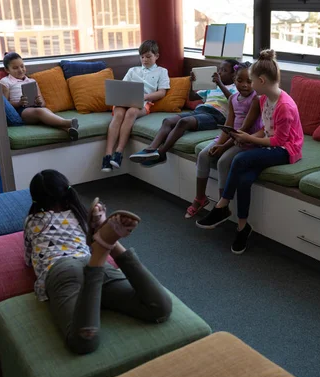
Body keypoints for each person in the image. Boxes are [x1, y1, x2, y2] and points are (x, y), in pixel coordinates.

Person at [23, 170, 172, 354]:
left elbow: (28, 259)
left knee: (83, 341)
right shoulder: (78, 215)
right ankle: (108, 242)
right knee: (160, 309)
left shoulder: (31, 220)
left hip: (61, 270)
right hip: (88, 261)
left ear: (35, 200)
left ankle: (102, 247)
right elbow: (84, 243)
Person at [196, 50, 304, 255]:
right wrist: (244, 135)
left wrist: (247, 138)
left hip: (286, 150)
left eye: (252, 81)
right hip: (268, 144)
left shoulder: (285, 107)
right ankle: (242, 227)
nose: (251, 86)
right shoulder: (264, 99)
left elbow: (279, 140)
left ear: (262, 80)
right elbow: (266, 128)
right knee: (244, 180)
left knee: (240, 158)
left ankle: (221, 206)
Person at [185, 61, 261, 219]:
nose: (244, 85)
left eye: (249, 81)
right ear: (234, 80)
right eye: (240, 81)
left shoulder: (256, 100)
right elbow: (229, 123)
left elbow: (244, 130)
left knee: (222, 161)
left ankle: (222, 206)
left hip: (247, 140)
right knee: (203, 155)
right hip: (231, 136)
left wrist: (223, 147)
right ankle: (200, 198)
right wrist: (219, 142)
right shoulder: (233, 98)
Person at [129, 59, 238, 167]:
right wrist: (192, 83)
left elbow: (233, 101)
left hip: (216, 116)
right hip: (200, 110)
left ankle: (161, 153)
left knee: (183, 122)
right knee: (168, 121)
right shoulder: (212, 87)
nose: (219, 73)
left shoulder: (235, 89)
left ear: (233, 75)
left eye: (224, 70)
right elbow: (192, 97)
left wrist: (220, 84)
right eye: (219, 69)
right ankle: (150, 149)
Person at [102, 40, 170, 172]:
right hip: (124, 100)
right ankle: (107, 155)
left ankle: (119, 153)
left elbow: (162, 92)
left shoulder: (162, 72)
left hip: (144, 103)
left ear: (157, 56)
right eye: (142, 57)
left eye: (148, 56)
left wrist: (144, 97)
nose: (144, 60)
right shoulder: (133, 70)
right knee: (119, 114)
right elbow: (122, 87)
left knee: (132, 112)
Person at [0, 52, 79, 141]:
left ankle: (69, 130)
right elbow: (4, 104)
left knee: (45, 111)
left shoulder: (31, 81)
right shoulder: (5, 81)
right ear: (7, 70)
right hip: (20, 111)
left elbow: (43, 103)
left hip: (35, 108)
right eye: (15, 68)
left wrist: (39, 102)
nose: (20, 70)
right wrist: (19, 103)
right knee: (40, 112)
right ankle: (68, 123)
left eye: (22, 66)